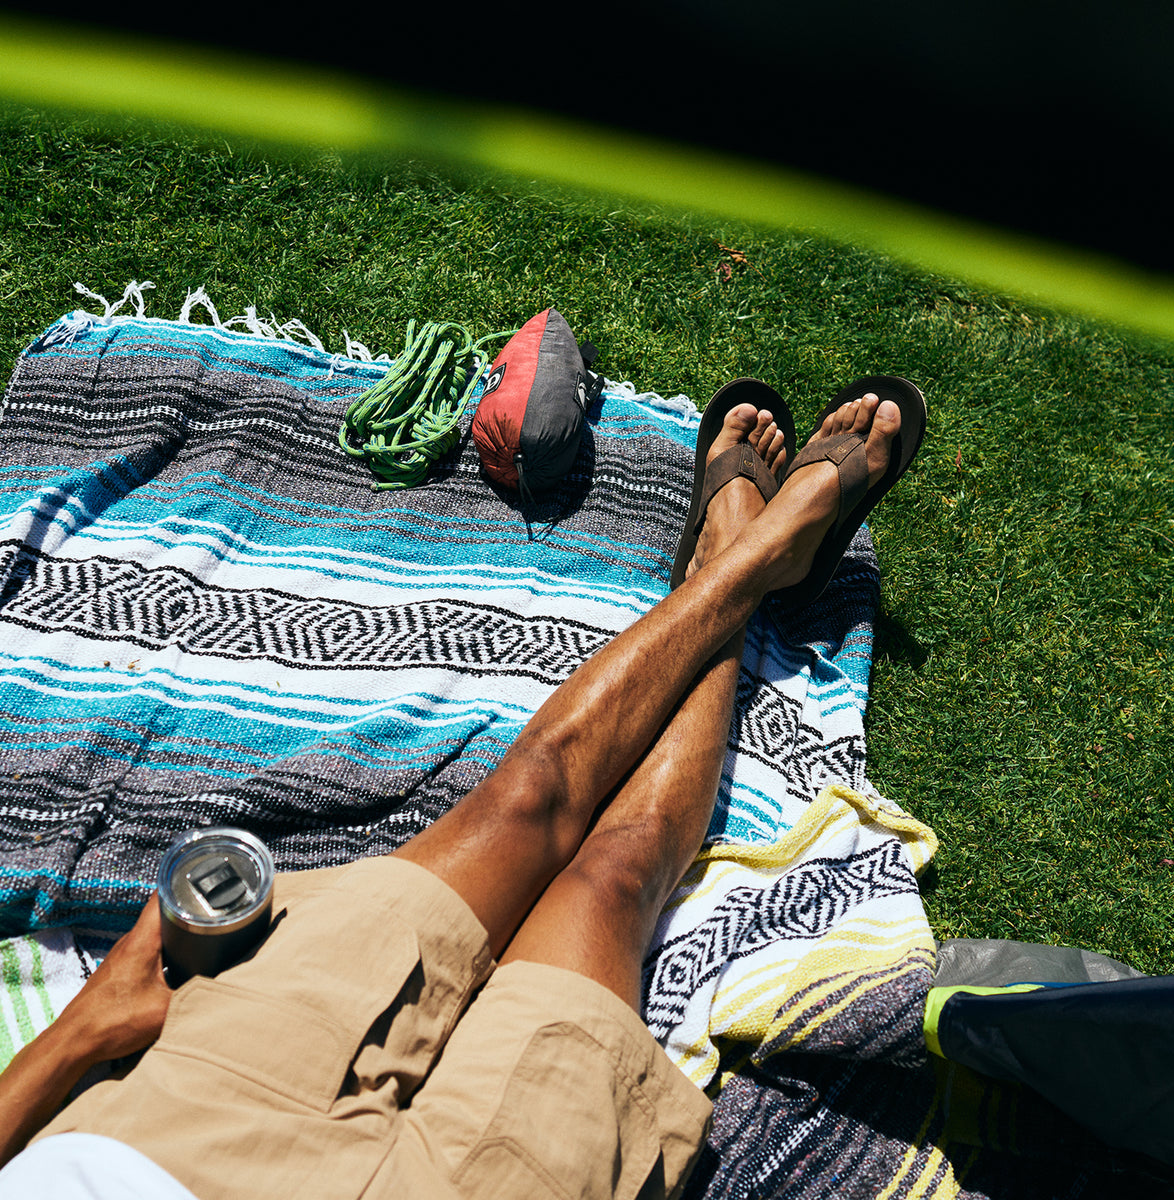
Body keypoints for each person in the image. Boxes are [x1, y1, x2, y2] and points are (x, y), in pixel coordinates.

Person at [0, 382, 919, 1200]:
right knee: (619, 879)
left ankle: (746, 556)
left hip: (180, 1122)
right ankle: (752, 558)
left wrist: (74, 1037)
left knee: (526, 799)